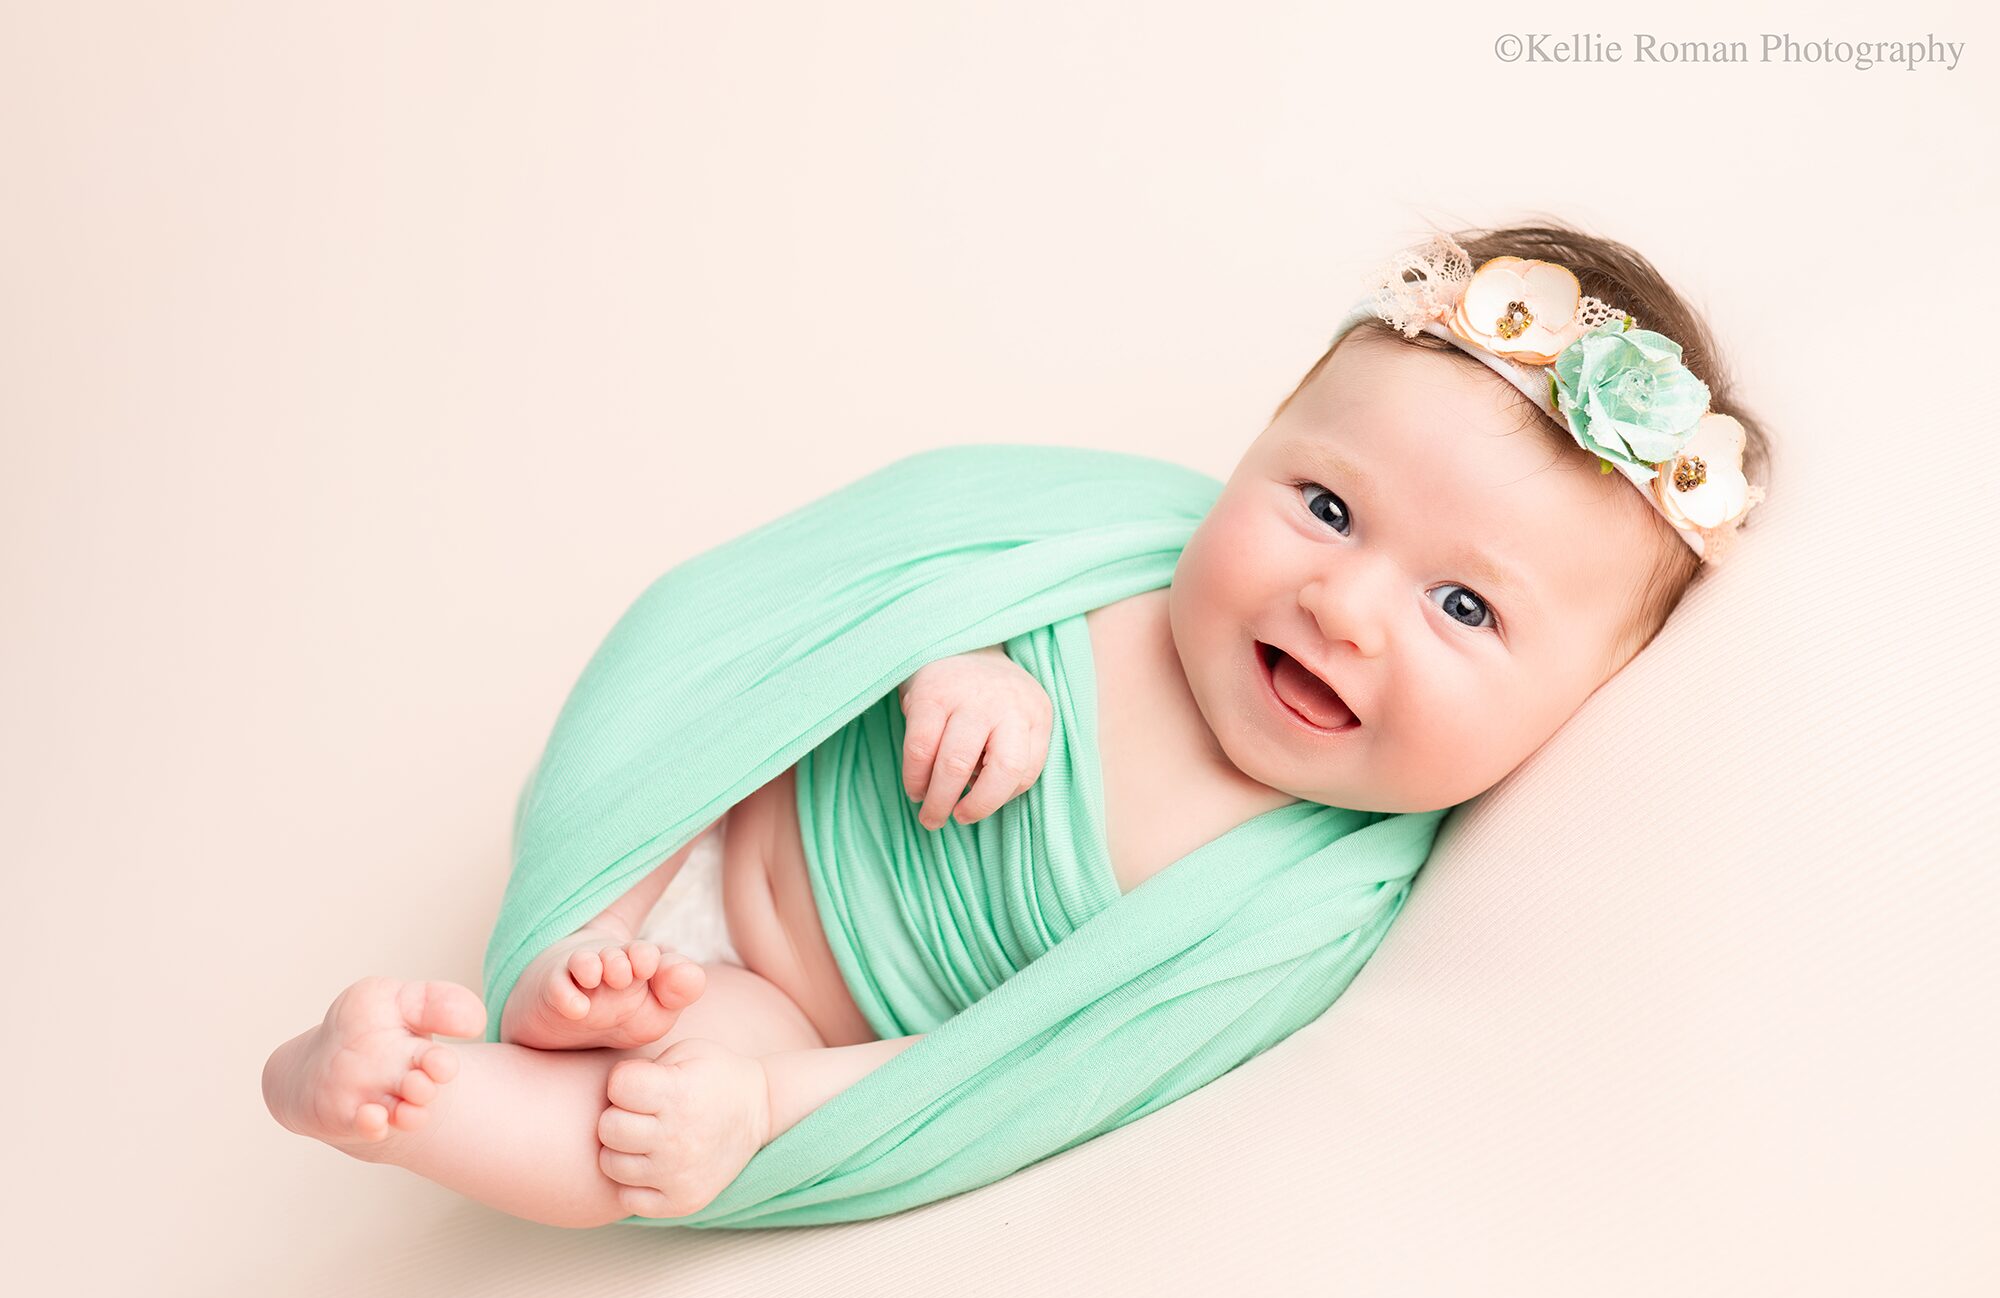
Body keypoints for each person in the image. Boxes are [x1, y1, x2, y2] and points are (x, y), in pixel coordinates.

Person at [261, 220, 1771, 1228]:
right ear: (1250, 453)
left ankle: (377, 1089)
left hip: (789, 1023)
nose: (1346, 607)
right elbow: (901, 569)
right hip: (727, 802)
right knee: (601, 955)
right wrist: (955, 661)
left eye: (1464, 609)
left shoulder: (1303, 897)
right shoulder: (1115, 545)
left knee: (631, 1147)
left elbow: (1043, 1060)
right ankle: (564, 953)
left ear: (1574, 707)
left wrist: (770, 1096)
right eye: (1324, 505)